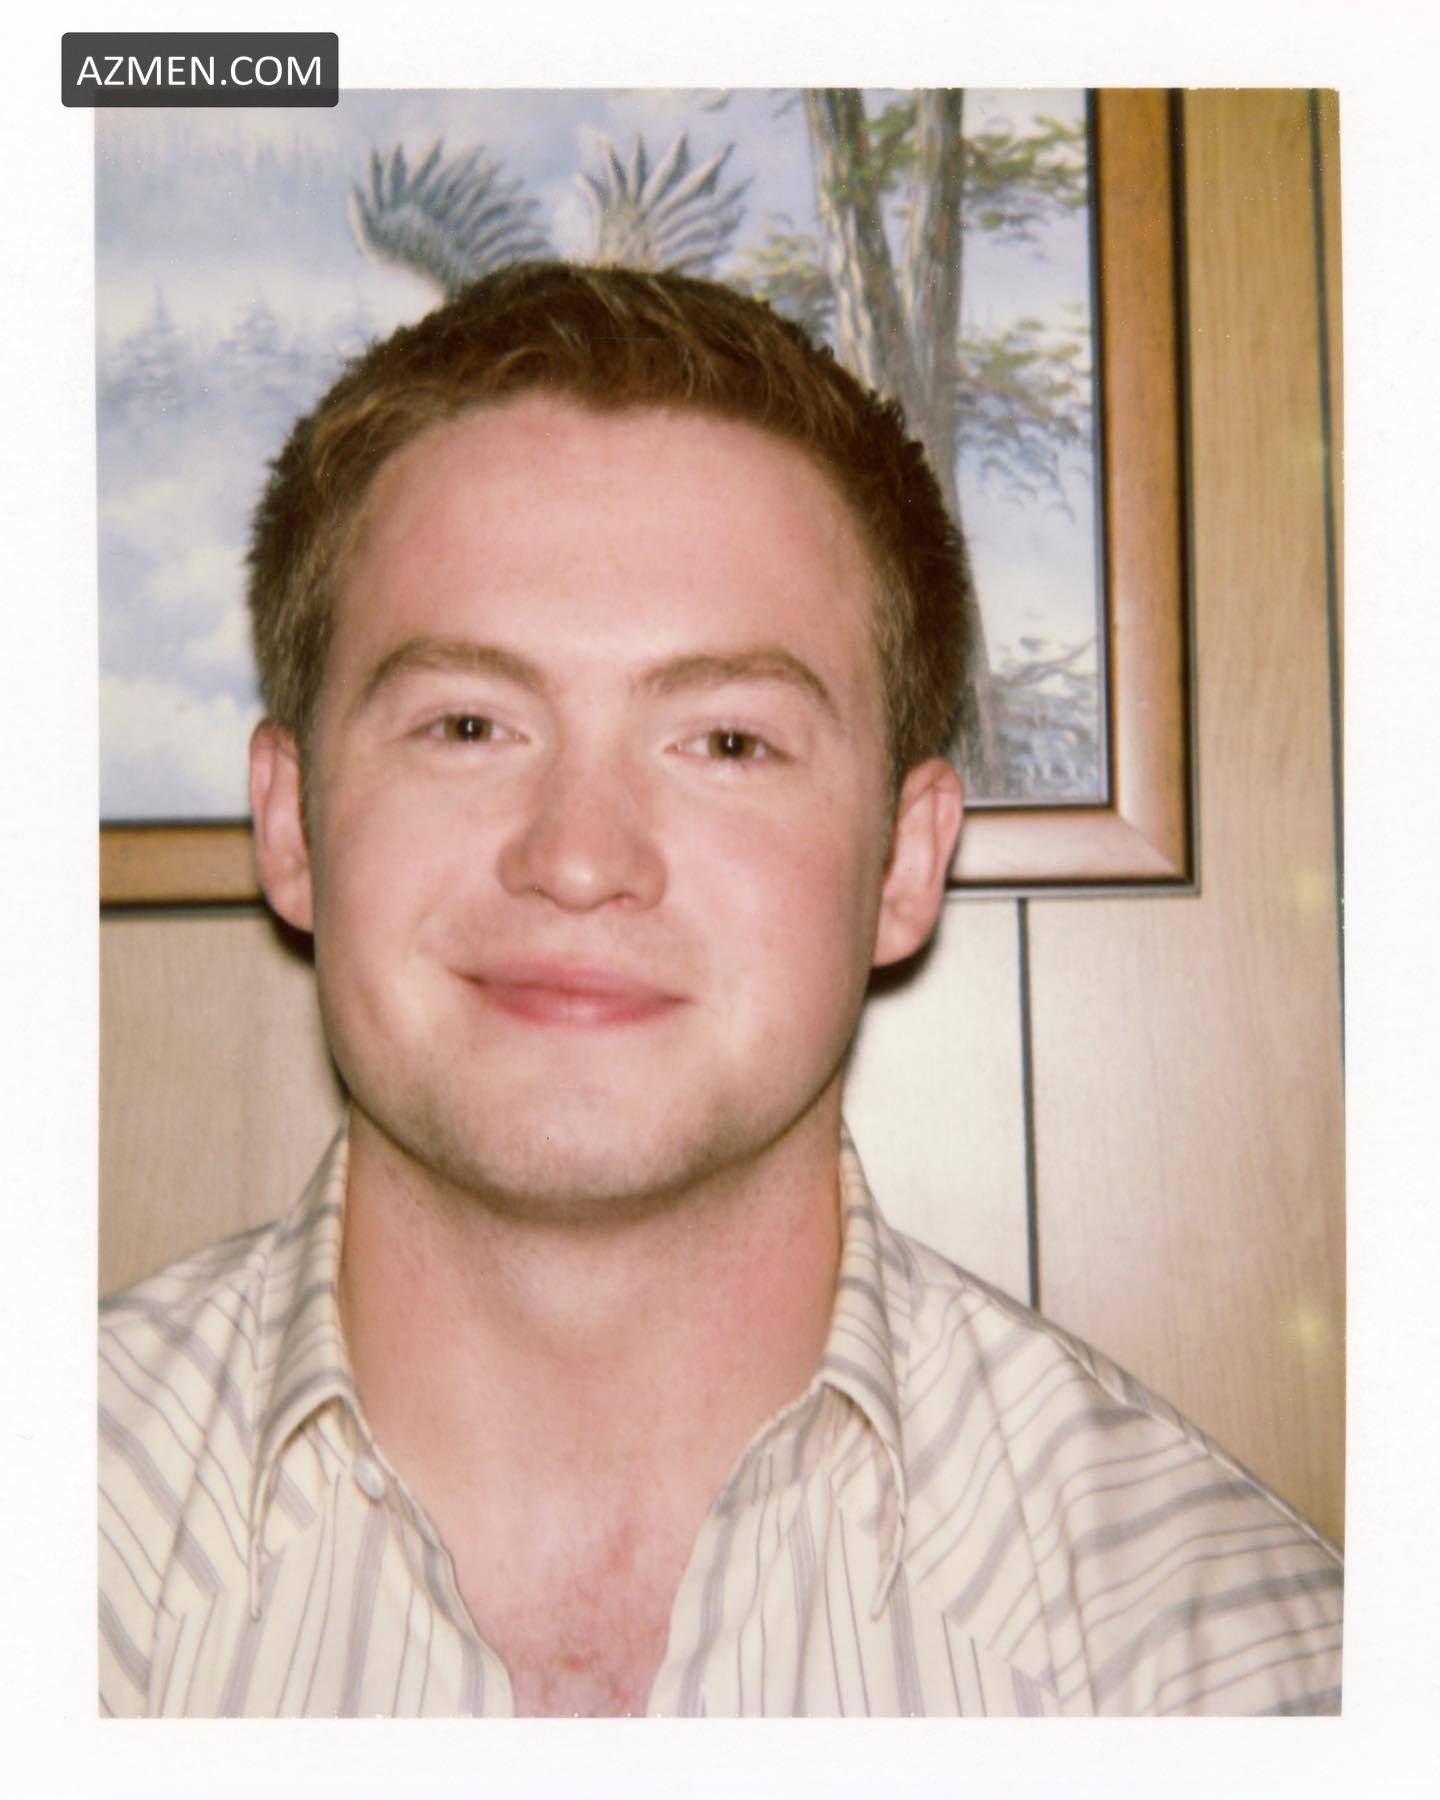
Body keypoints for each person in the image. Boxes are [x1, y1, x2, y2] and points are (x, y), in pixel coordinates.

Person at [98, 263, 1341, 1718]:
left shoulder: (1247, 1677)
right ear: (293, 824)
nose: (579, 858)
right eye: (469, 724)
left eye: (729, 743)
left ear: (905, 862)